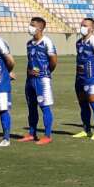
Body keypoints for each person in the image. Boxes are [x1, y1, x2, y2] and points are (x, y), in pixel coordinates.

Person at [22, 17, 56, 145]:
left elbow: (53, 60)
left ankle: (47, 135)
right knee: (31, 107)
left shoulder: (46, 42)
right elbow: (29, 62)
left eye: (32, 25)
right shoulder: (29, 44)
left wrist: (45, 72)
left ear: (40, 28)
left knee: (45, 107)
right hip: (30, 80)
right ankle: (32, 133)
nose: (29, 27)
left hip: (42, 80)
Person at [73, 18, 94, 140]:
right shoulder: (79, 43)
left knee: (93, 102)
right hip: (79, 78)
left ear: (92, 28)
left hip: (91, 78)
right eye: (81, 25)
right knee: (83, 104)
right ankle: (86, 129)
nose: (82, 27)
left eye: (85, 25)